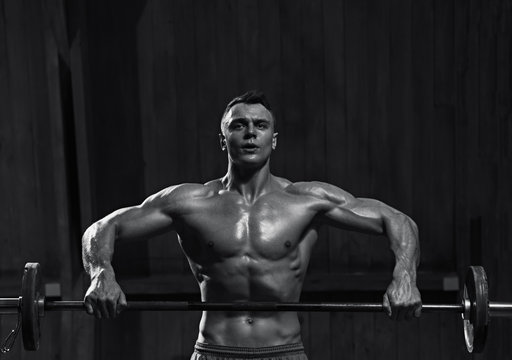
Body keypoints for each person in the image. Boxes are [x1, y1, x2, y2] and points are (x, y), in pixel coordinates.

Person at [82, 90, 422, 360]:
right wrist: (101, 274)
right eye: (238, 125)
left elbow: (397, 220)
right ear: (222, 139)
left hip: (284, 351)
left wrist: (404, 275)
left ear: (273, 139)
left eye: (260, 125)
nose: (250, 133)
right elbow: (101, 228)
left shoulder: (306, 199)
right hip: (214, 351)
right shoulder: (189, 202)